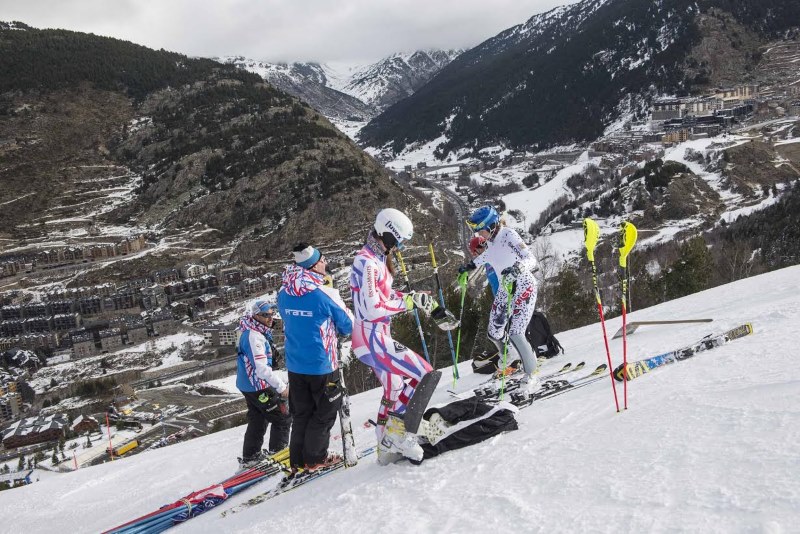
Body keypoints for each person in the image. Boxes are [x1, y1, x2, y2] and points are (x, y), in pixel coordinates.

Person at [350, 208, 446, 465]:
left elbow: (387, 298)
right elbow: (372, 307)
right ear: (388, 234)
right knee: (425, 373)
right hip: (372, 338)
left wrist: (414, 298)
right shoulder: (367, 262)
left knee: (394, 387)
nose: (400, 247)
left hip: (374, 335)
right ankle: (402, 435)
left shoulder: (377, 258)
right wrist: (410, 304)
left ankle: (385, 440)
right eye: (399, 241)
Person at [278, 243, 353, 472]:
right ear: (313, 265)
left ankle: (298, 460)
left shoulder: (283, 291)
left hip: (295, 363)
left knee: (301, 413)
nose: (326, 263)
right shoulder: (324, 293)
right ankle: (315, 458)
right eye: (323, 260)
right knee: (325, 412)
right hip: (322, 363)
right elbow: (348, 324)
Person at [459, 205, 541, 395]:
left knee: (516, 331)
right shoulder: (491, 241)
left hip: (523, 284)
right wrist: (469, 266)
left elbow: (531, 259)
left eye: (481, 229)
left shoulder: (508, 235)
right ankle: (511, 357)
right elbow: (489, 255)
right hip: (506, 287)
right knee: (494, 331)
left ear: (492, 225)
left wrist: (517, 268)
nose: (479, 233)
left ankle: (532, 374)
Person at [235, 299, 291, 470]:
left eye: (271, 314)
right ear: (255, 316)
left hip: (248, 385)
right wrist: (282, 388)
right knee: (282, 418)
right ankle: (278, 454)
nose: (269, 318)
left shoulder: (252, 331)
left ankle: (251, 456)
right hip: (258, 386)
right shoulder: (254, 336)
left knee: (258, 419)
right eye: (265, 315)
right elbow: (261, 369)